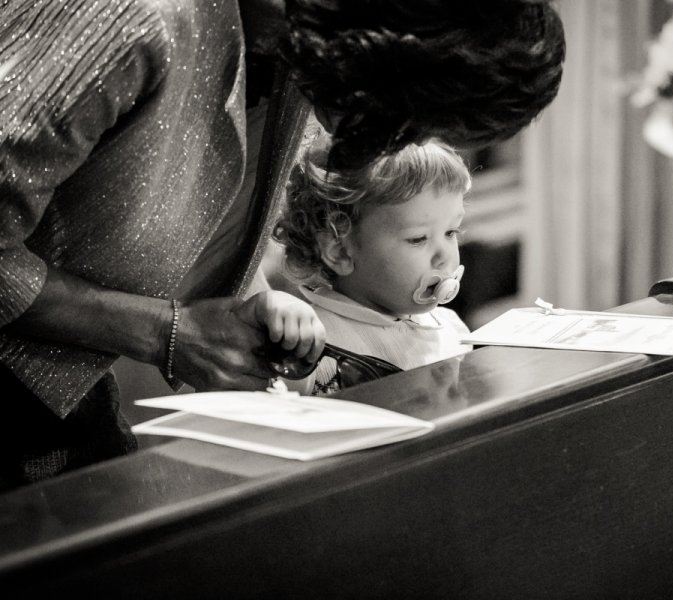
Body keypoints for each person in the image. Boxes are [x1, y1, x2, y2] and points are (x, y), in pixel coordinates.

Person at [0, 0, 564, 487]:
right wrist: (168, 331)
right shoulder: (135, 16)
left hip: (67, 405)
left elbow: (195, 193)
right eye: (409, 117)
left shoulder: (299, 50)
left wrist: (248, 299)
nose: (392, 141)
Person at [275, 140, 474, 395]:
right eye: (418, 239)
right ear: (340, 251)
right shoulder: (310, 344)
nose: (444, 256)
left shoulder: (451, 328)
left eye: (450, 232)